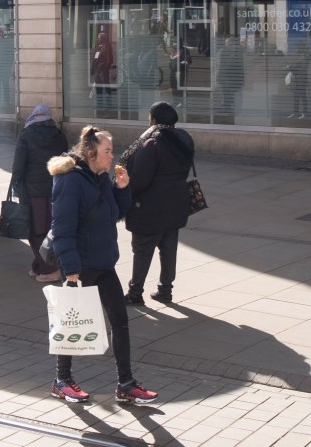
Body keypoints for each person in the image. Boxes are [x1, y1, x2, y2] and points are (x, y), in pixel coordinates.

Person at [48, 126, 157, 405]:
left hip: (104, 262)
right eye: (108, 151)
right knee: (71, 324)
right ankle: (62, 380)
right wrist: (70, 268)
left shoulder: (99, 178)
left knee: (120, 322)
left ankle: (126, 383)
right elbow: (62, 227)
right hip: (81, 265)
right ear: (91, 152)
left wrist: (121, 189)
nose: (112, 156)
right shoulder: (70, 181)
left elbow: (114, 213)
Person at [119, 102, 195, 305]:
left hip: (150, 206)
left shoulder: (152, 143)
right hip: (176, 203)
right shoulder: (183, 138)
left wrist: (124, 192)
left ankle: (135, 293)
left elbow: (140, 178)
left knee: (142, 250)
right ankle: (166, 291)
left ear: (154, 119)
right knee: (169, 250)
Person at [9, 104, 69, 282]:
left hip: (33, 191)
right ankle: (39, 265)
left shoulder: (26, 135)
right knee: (51, 229)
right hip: (55, 188)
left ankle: (50, 269)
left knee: (35, 231)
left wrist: (17, 186)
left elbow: (18, 165)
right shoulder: (59, 135)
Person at [217, 37, 245, 115]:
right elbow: (221, 66)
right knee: (226, 93)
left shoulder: (234, 53)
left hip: (229, 77)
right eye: (228, 43)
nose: (230, 45)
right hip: (225, 77)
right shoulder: (224, 52)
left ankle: (230, 108)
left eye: (231, 43)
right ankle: (228, 107)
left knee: (229, 93)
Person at [286, 43, 311, 119]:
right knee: (296, 96)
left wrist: (290, 67)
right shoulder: (298, 57)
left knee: (302, 96)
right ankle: (295, 112)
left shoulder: (305, 57)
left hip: (301, 79)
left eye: (297, 48)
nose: (296, 50)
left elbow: (302, 68)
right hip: (296, 80)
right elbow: (295, 66)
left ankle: (304, 113)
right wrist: (290, 67)